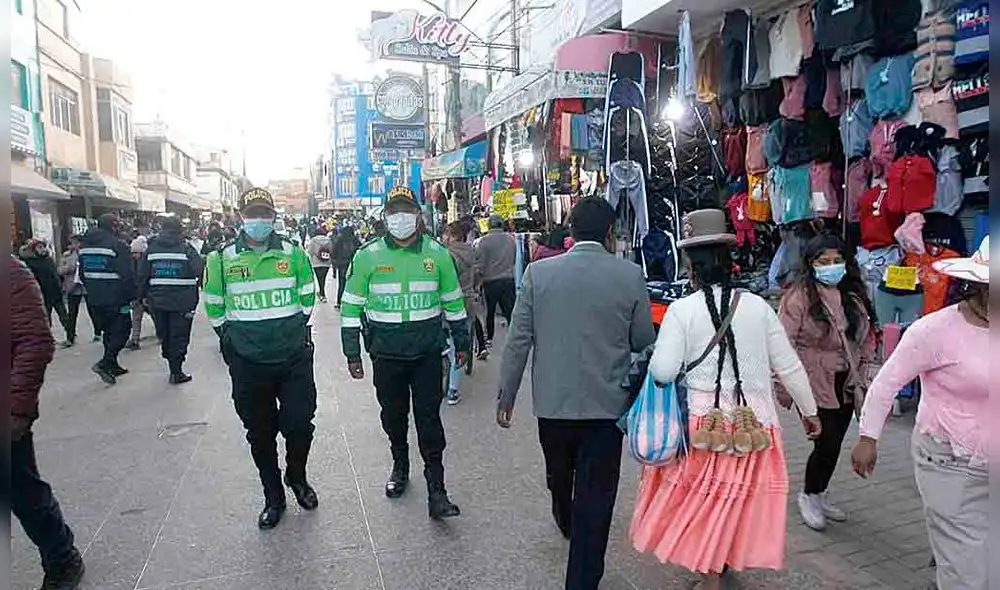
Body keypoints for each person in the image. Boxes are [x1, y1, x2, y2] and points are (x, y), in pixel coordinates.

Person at [629, 210, 821, 590]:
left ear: (690, 264)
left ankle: (712, 575)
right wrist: (810, 412)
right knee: (738, 501)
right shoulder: (758, 307)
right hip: (756, 424)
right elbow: (790, 366)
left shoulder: (681, 311)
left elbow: (664, 371)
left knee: (705, 503)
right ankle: (726, 559)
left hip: (703, 425)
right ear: (728, 259)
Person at [495, 197, 656, 590]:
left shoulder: (537, 274)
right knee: (596, 498)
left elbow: (518, 340)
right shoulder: (629, 275)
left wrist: (507, 395)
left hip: (552, 406)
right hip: (607, 407)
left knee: (559, 474)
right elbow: (642, 339)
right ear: (610, 234)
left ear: (570, 231)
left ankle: (563, 512)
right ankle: (582, 577)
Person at [852, 237, 989, 590]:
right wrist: (869, 437)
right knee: (968, 575)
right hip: (948, 461)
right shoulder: (935, 331)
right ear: (979, 286)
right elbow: (886, 383)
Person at [340, 186, 469, 520]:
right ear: (385, 216)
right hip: (386, 355)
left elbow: (454, 303)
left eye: (406, 210)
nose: (401, 217)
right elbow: (350, 307)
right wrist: (352, 353)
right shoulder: (366, 256)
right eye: (394, 210)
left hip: (427, 353)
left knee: (429, 419)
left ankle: (437, 490)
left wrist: (463, 343)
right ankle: (400, 465)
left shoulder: (437, 254)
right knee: (393, 416)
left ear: (417, 215)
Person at [203, 188, 319, 530]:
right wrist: (232, 340)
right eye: (252, 213)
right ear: (241, 216)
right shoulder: (221, 258)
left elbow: (308, 292)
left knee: (300, 422)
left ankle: (296, 475)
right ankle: (273, 496)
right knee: (260, 431)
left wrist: (295, 327)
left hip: (293, 356)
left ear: (273, 216)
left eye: (264, 213)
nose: (258, 220)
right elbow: (214, 303)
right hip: (249, 362)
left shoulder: (293, 253)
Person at [777, 234, 878, 531]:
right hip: (812, 381)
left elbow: (865, 337)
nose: (831, 267)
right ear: (811, 265)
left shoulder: (854, 296)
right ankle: (808, 493)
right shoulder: (798, 297)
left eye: (837, 261)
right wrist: (784, 386)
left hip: (845, 380)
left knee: (835, 442)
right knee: (825, 441)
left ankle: (820, 492)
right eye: (824, 262)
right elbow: (784, 343)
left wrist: (864, 367)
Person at [11, 255, 86, 590]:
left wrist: (16, 409)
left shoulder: (9, 272)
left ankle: (61, 556)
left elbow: (35, 340)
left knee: (22, 491)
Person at [138, 216, 203, 384]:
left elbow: (141, 275)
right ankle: (176, 370)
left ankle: (171, 361)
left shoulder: (151, 250)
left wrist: (141, 297)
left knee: (165, 334)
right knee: (179, 336)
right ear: (180, 229)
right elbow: (199, 270)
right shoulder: (187, 249)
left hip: (158, 302)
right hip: (183, 302)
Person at [79, 213, 136, 385]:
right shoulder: (117, 246)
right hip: (116, 298)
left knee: (107, 331)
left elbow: (81, 273)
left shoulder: (85, 246)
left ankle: (112, 364)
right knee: (123, 329)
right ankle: (105, 362)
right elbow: (127, 275)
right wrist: (133, 296)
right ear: (114, 226)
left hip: (94, 298)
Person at [442, 220, 487, 405]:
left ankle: (444, 355)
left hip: (449, 302)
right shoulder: (472, 252)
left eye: (446, 233)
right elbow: (479, 275)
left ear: (452, 236)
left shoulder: (447, 255)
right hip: (468, 301)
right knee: (459, 343)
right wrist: (474, 289)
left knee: (447, 341)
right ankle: (453, 389)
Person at [18, 239, 72, 343]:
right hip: (42, 294)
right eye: (39, 247)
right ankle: (47, 339)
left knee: (64, 316)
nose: (43, 249)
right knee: (46, 318)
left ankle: (70, 335)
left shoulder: (48, 260)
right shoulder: (30, 262)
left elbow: (55, 274)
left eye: (43, 247)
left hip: (56, 293)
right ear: (34, 249)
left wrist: (60, 286)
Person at [475, 214, 516, 346]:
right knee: (510, 311)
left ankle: (489, 338)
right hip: (508, 280)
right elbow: (514, 259)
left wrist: (477, 283)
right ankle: (514, 336)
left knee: (489, 312)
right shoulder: (511, 240)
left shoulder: (484, 241)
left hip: (490, 282)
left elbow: (479, 266)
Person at [57, 235, 99, 347]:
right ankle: (70, 337)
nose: (74, 245)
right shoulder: (67, 255)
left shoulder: (87, 253)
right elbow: (60, 270)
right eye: (72, 243)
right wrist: (71, 266)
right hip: (73, 286)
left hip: (86, 286)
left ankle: (98, 332)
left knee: (93, 311)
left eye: (76, 243)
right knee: (72, 313)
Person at [332, 225, 360, 308]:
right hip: (353, 264)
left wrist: (336, 262)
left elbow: (333, 252)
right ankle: (352, 302)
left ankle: (339, 302)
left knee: (342, 283)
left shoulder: (339, 240)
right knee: (353, 284)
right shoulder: (355, 240)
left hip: (342, 264)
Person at [306, 227, 333, 302]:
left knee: (319, 279)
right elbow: (331, 250)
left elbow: (310, 252)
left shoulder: (313, 240)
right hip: (326, 263)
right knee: (323, 278)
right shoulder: (328, 240)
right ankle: (322, 293)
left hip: (316, 263)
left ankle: (322, 294)